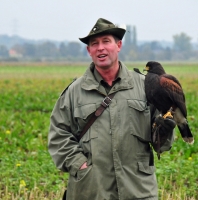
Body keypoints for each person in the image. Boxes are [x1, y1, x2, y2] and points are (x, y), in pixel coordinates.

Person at [48, 18, 175, 200]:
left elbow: (162, 144)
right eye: (94, 44)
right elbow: (58, 135)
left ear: (119, 45)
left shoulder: (145, 86)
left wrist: (165, 131)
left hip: (138, 190)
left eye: (106, 41)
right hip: (91, 190)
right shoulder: (74, 92)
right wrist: (80, 165)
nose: (100, 48)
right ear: (89, 50)